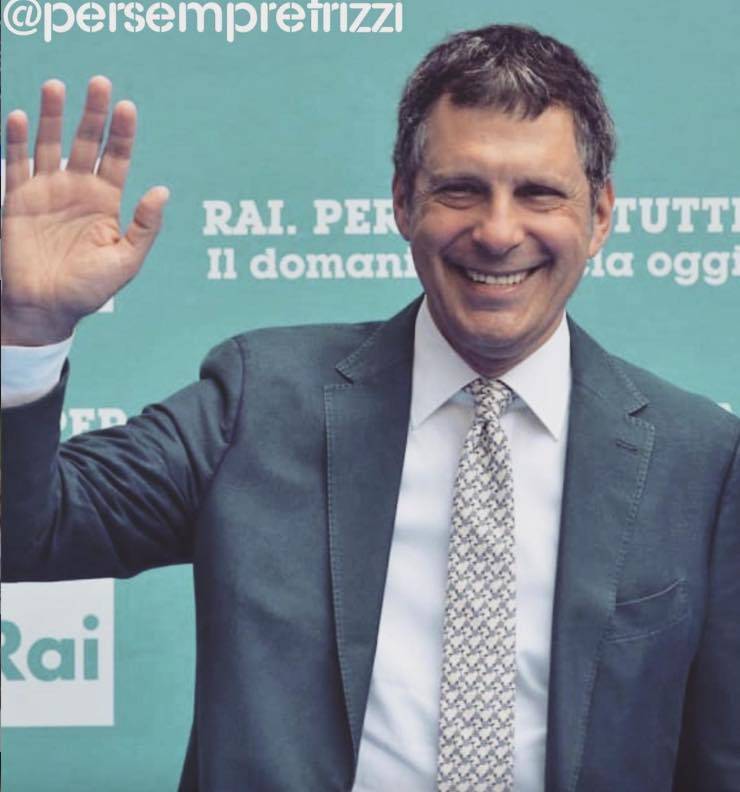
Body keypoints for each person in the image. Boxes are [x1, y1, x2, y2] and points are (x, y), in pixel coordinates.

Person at [2, 23, 738, 792]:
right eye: (460, 190)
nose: (497, 232)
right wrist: (28, 333)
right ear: (402, 202)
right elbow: (26, 533)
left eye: (538, 194)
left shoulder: (701, 458)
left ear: (600, 215)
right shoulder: (258, 401)